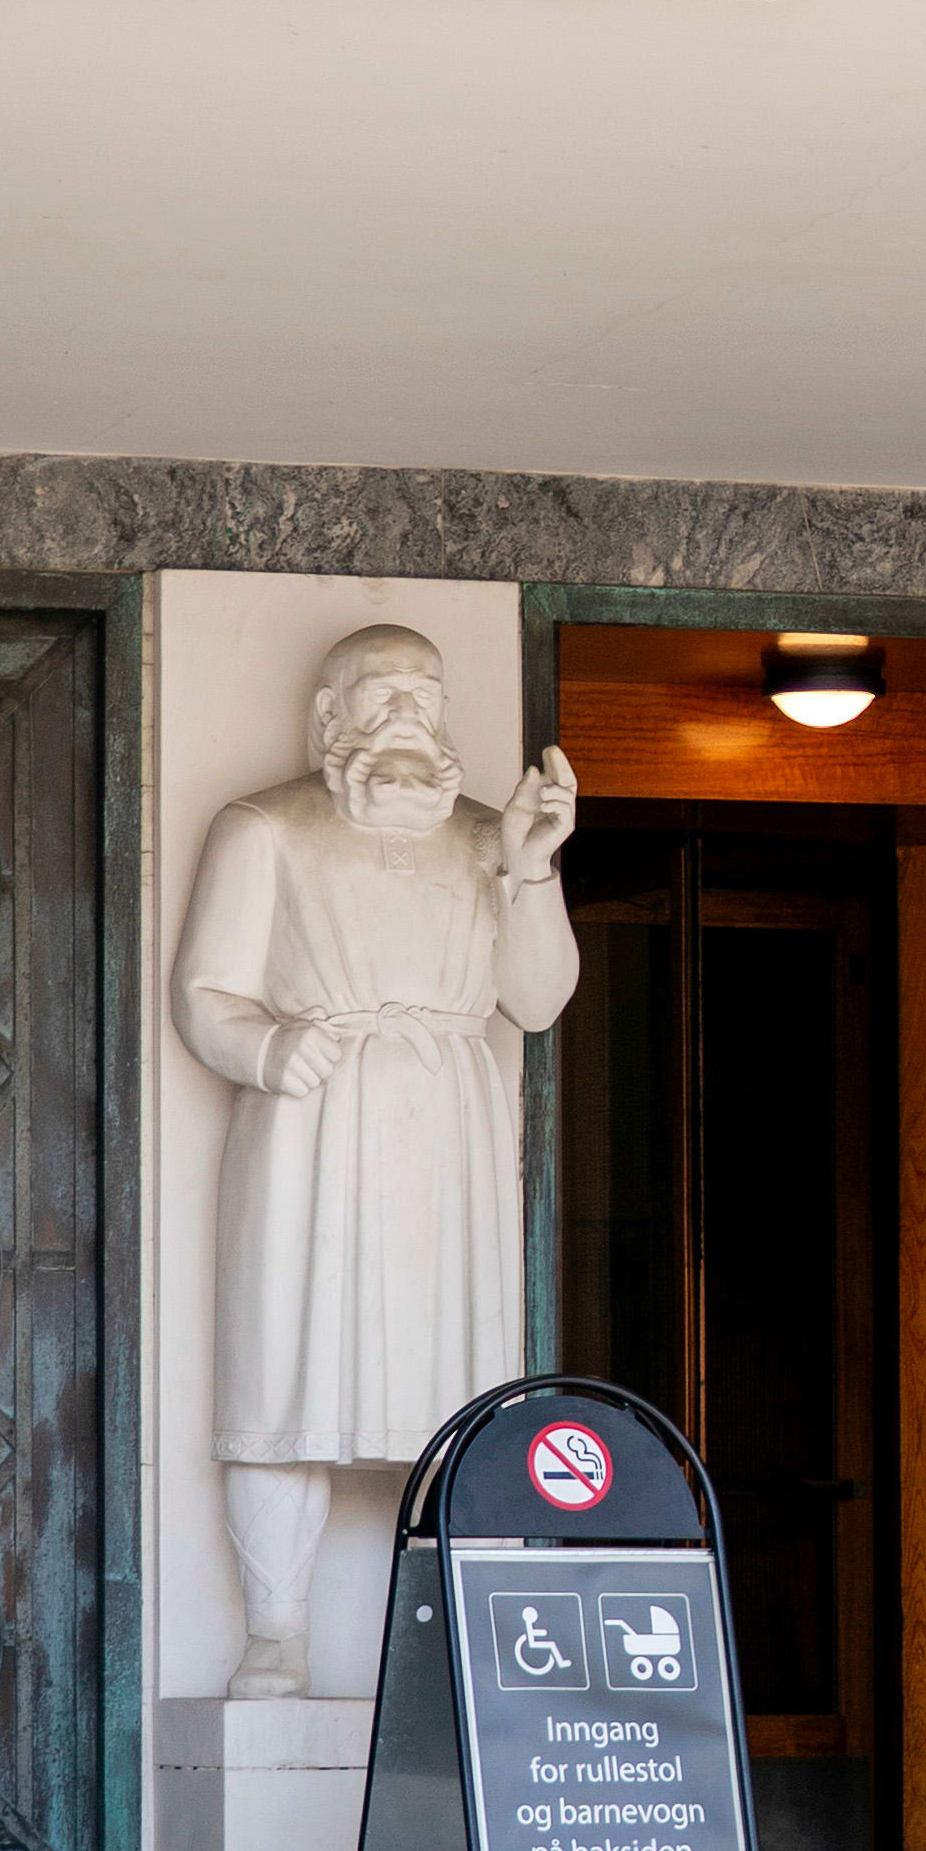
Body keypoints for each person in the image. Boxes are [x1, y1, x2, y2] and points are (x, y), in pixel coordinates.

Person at [177, 625, 583, 1694]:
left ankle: (475, 1629)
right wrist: (269, 1049)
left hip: (448, 1133)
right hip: (311, 1124)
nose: (407, 712)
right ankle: (276, 1630)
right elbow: (205, 992)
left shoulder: (492, 835)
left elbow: (537, 999)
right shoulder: (264, 826)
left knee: (463, 1388)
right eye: (381, 692)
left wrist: (533, 868)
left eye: (424, 694)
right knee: (284, 1376)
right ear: (330, 714)